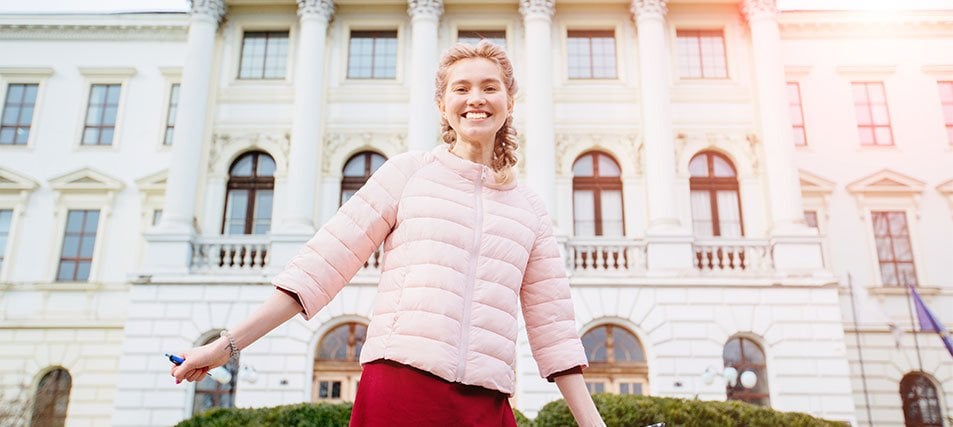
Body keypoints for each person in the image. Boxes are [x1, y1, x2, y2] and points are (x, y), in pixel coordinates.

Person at [171, 40, 605, 427]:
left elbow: (556, 333)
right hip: (399, 390)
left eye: (490, 87)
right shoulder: (407, 173)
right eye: (461, 88)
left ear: (510, 101)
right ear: (442, 105)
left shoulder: (529, 209)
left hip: (484, 405)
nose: (476, 98)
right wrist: (225, 346)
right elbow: (320, 266)